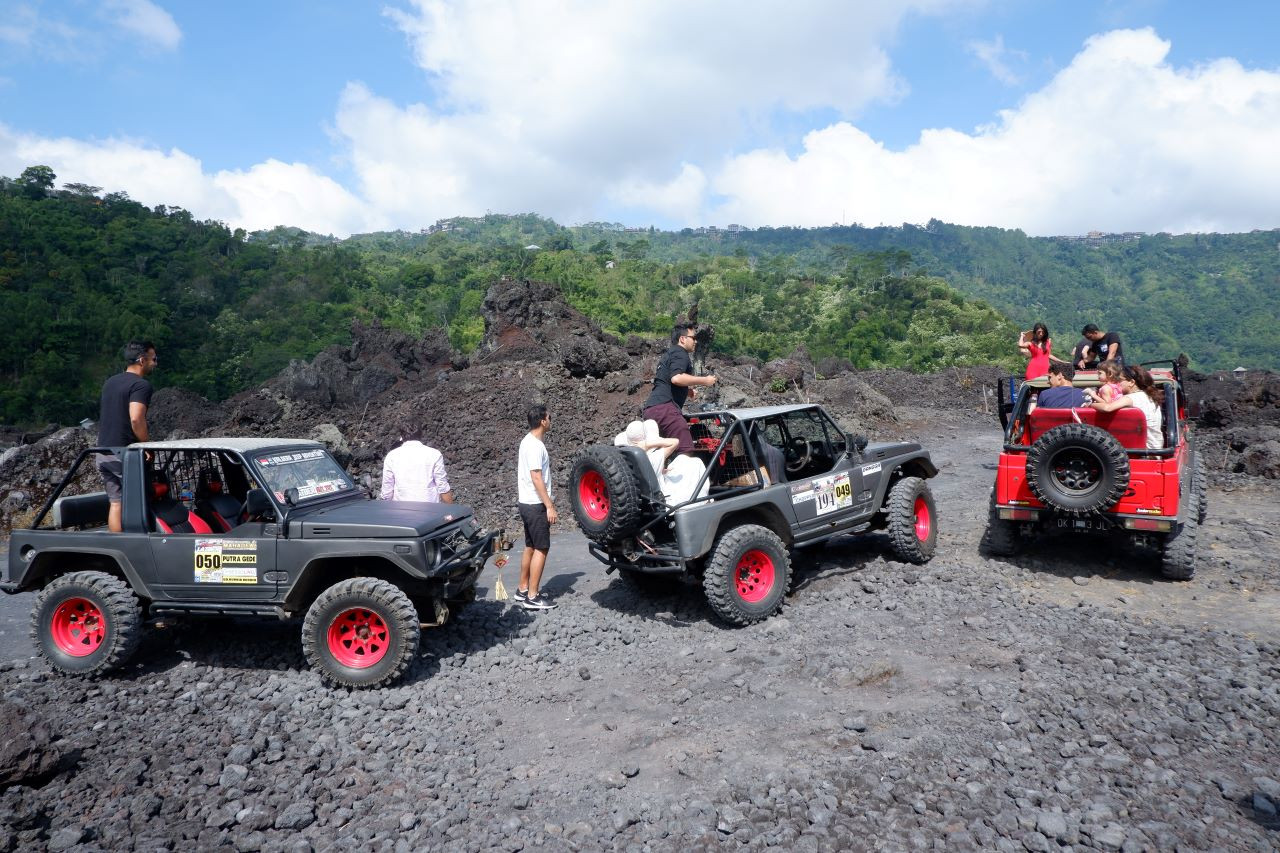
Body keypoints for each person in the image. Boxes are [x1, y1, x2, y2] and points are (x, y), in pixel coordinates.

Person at [97, 340, 158, 532]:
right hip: (124, 453)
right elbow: (136, 419)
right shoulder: (141, 385)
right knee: (142, 500)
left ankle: (117, 546)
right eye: (153, 359)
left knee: (116, 503)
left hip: (102, 451)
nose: (155, 363)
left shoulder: (110, 382)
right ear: (142, 360)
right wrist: (146, 445)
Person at [643, 323, 717, 454]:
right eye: (693, 338)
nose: (696, 341)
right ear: (682, 339)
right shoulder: (680, 353)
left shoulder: (670, 354)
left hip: (652, 409)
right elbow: (676, 378)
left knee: (661, 452)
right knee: (686, 450)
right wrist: (705, 381)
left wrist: (687, 391)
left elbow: (665, 381)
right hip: (665, 409)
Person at [515, 404, 558, 610]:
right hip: (535, 504)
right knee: (542, 547)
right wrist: (549, 505)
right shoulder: (535, 446)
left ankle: (523, 588)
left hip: (526, 502)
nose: (551, 419)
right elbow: (536, 476)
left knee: (530, 545)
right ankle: (532, 596)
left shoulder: (527, 441)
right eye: (549, 417)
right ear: (542, 421)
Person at [1083, 364, 1164, 449]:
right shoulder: (1149, 397)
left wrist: (1090, 404)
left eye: (1120, 380)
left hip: (1146, 450)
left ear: (1131, 382)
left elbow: (1107, 408)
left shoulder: (1131, 398)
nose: (1118, 383)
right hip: (1156, 446)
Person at [379, 425, 454, 503]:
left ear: (401, 436)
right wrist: (453, 512)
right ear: (421, 434)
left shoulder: (391, 456)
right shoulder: (434, 454)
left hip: (401, 510)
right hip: (430, 511)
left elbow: (387, 492)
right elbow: (443, 488)